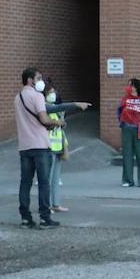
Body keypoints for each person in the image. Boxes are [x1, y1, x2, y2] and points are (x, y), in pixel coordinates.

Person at [16, 67, 64, 228]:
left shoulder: (18, 98)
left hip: (24, 145)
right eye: (38, 78)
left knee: (25, 183)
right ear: (30, 80)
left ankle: (25, 218)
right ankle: (45, 217)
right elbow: (44, 119)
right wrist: (57, 122)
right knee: (44, 183)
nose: (41, 82)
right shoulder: (37, 96)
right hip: (40, 145)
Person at [44, 79, 89, 213]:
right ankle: (46, 205)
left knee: (56, 178)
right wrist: (57, 122)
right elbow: (48, 123)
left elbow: (62, 123)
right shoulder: (45, 107)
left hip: (59, 145)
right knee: (47, 178)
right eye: (50, 93)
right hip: (48, 146)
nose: (53, 95)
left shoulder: (56, 108)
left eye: (54, 92)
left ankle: (56, 204)